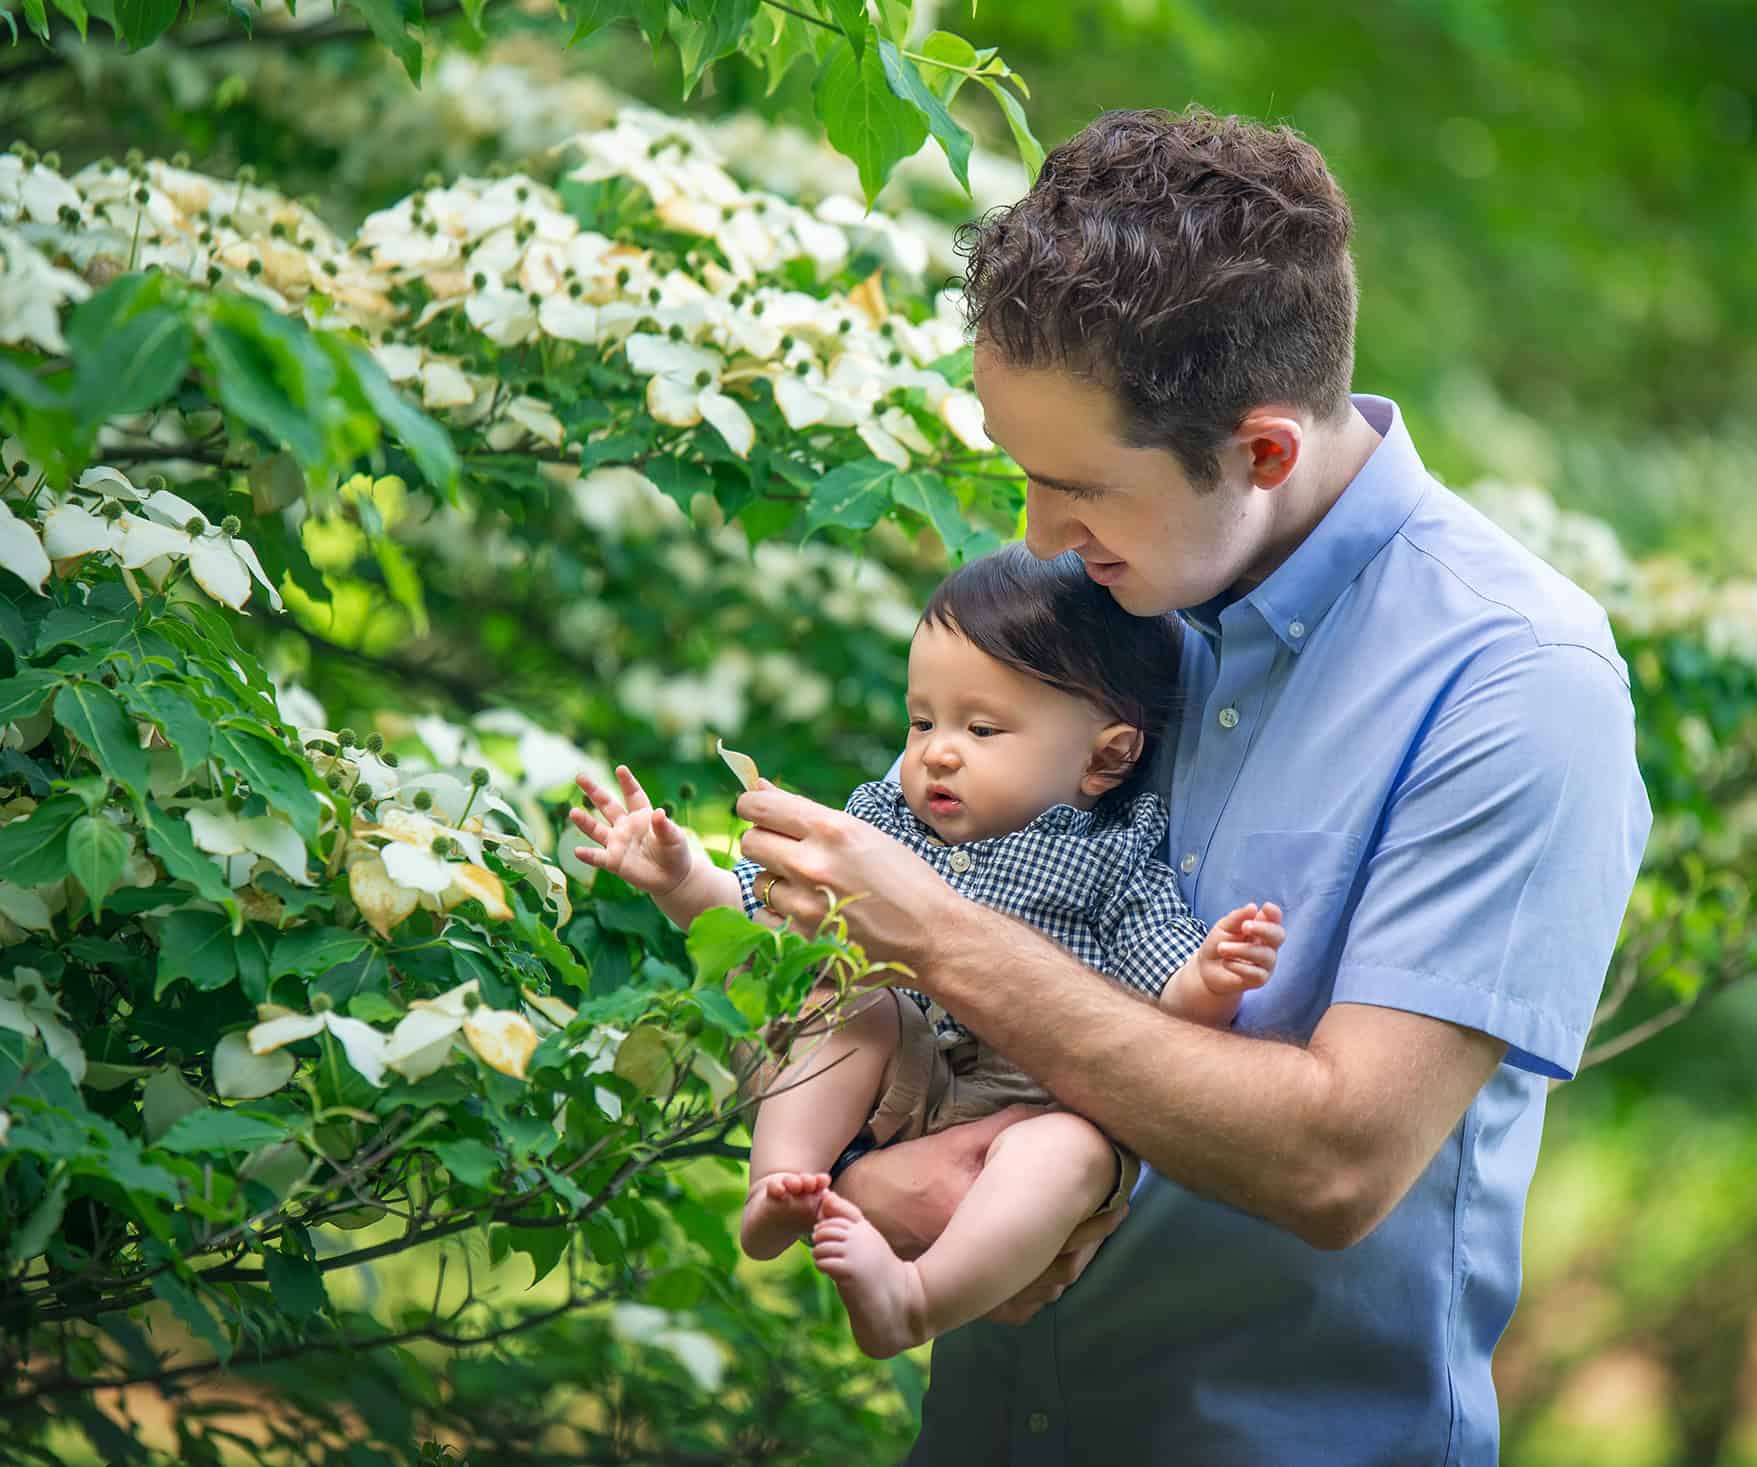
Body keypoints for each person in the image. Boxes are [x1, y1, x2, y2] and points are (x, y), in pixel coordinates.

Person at [730, 106, 1653, 1465]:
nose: (1037, 533)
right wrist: (868, 1160)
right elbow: (886, 1029)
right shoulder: (1102, 598)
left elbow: (1337, 1160)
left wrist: (930, 928)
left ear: (1264, 451)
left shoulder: (1515, 678)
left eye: (1077, 484)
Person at [568, 545, 1286, 1359]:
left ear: (1107, 756)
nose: (938, 750)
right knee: (855, 1004)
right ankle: (780, 1181)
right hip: (902, 1064)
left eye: (981, 728)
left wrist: (1213, 977)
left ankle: (915, 1299)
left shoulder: (1117, 858)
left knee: (1074, 1152)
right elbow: (767, 912)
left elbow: (1170, 1019)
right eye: (922, 721)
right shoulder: (886, 823)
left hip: (1033, 1096)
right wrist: (678, 874)